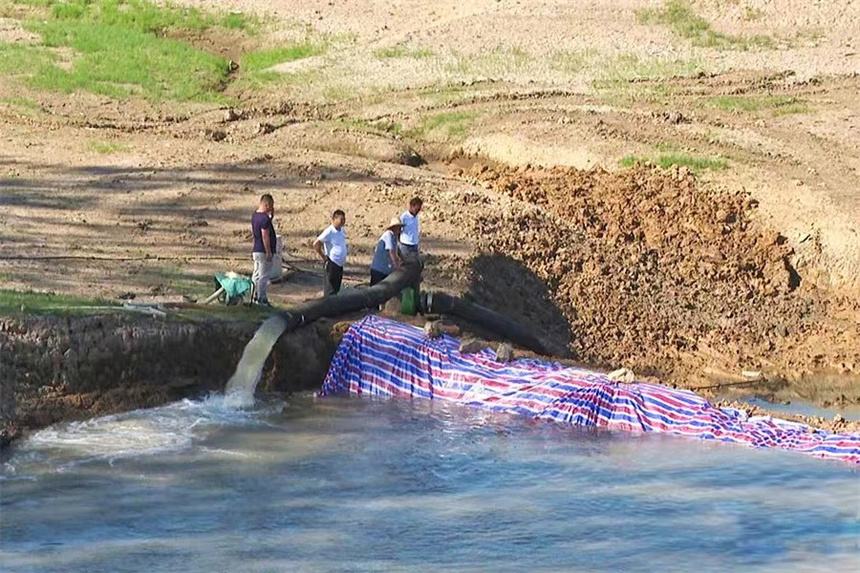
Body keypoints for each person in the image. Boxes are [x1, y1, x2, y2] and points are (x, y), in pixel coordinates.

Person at [313, 209, 348, 296]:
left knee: (336, 288)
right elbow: (316, 244)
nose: (343, 222)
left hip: (340, 264)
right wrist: (324, 257)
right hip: (332, 263)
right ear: (334, 219)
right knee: (330, 289)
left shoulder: (342, 230)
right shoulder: (329, 231)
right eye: (341, 220)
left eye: (344, 219)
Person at [251, 194, 276, 306]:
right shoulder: (264, 219)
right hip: (263, 251)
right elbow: (265, 235)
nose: (271, 209)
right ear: (266, 205)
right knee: (263, 276)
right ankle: (262, 298)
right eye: (270, 206)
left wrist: (271, 217)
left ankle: (254, 295)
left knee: (256, 274)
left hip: (256, 249)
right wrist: (269, 252)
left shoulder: (255, 216)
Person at [370, 217, 403, 286]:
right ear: (394, 227)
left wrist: (403, 260)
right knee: (376, 292)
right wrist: (397, 267)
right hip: (379, 270)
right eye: (398, 227)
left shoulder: (394, 237)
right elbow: (391, 252)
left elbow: (398, 251)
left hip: (386, 270)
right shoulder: (388, 235)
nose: (400, 229)